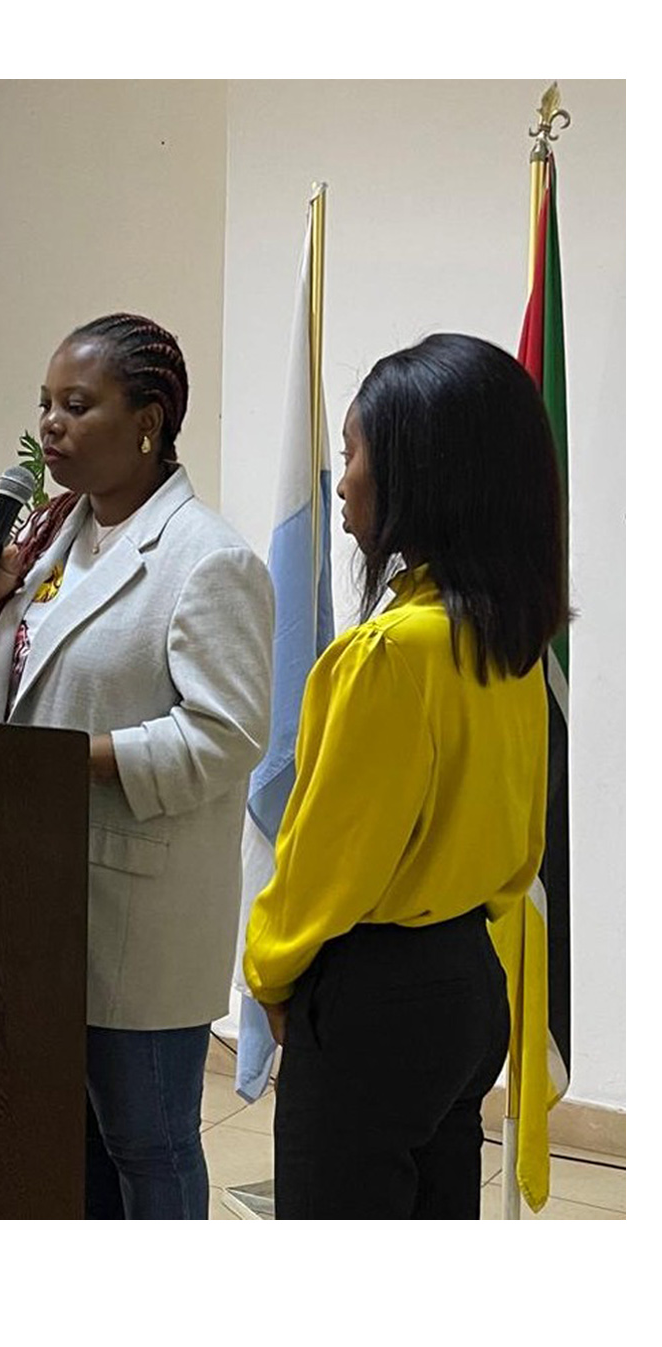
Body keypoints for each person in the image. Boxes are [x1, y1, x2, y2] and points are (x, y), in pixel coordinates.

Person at [0, 312, 272, 1219]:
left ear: (149, 419)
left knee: (147, 1140)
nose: (50, 425)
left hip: (135, 911)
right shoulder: (52, 537)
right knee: (64, 1135)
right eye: (45, 404)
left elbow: (225, 735)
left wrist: (67, 763)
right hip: (35, 895)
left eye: (77, 405)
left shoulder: (208, 558)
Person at [244, 334, 566, 1220]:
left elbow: (327, 857)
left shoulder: (388, 652)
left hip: (370, 1000)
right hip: (465, 980)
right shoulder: (507, 637)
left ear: (422, 478)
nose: (341, 479)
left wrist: (269, 972)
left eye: (354, 455)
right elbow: (520, 835)